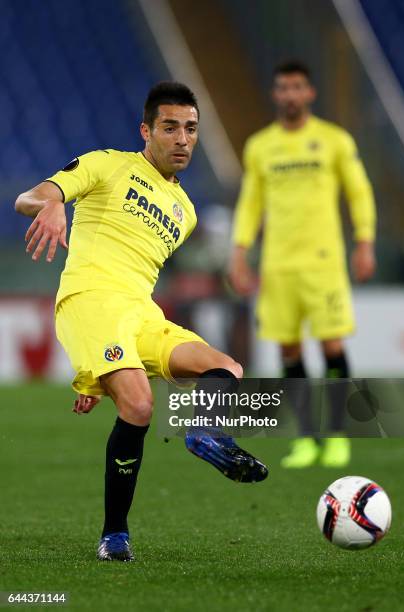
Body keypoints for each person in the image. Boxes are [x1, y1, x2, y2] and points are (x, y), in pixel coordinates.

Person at [15, 82, 267, 563]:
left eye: (191, 129)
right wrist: (49, 205)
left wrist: (99, 372)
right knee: (140, 403)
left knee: (227, 370)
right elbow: (32, 195)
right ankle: (114, 536)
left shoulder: (187, 212)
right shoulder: (107, 163)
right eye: (170, 127)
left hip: (141, 313)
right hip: (91, 300)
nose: (182, 139)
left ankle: (205, 433)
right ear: (146, 131)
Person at [228, 61, 376, 468]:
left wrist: (364, 241)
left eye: (297, 87)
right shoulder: (260, 146)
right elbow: (250, 203)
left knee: (332, 345)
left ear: (309, 93)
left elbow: (359, 192)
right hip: (277, 265)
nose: (290, 94)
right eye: (283, 88)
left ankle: (339, 436)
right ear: (276, 94)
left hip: (323, 261)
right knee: (289, 349)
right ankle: (308, 437)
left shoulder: (334, 140)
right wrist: (239, 252)